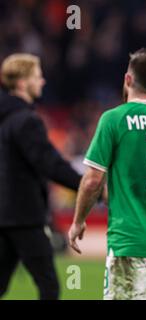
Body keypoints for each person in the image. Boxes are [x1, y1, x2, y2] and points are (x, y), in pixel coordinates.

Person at [68, 48, 146, 300]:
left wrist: (78, 221)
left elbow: (93, 180)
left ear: (128, 79)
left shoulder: (114, 119)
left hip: (129, 240)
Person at [0, 53, 81, 300]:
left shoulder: (5, 119)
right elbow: (50, 163)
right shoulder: (27, 121)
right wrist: (87, 186)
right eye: (37, 76)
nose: (43, 81)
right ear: (23, 83)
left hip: (3, 217)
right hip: (25, 217)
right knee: (49, 287)